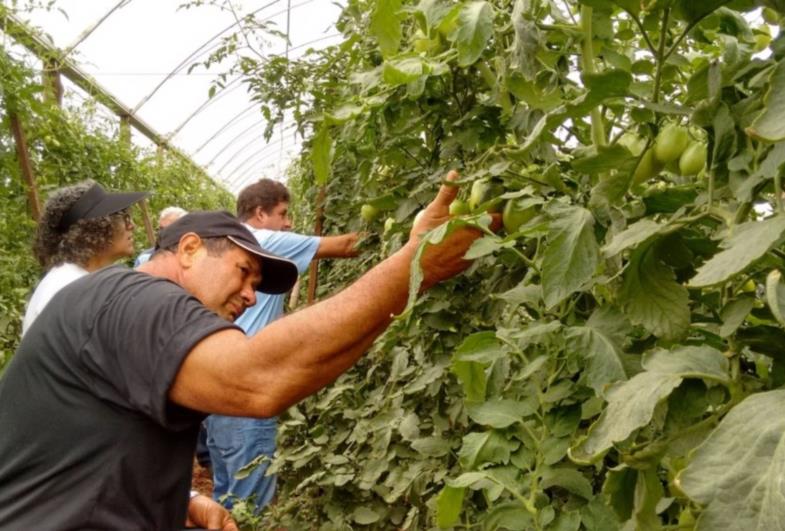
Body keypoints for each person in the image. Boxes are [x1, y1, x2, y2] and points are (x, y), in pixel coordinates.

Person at [0, 171, 490, 529]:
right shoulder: (129, 298)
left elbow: (86, 444)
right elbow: (259, 378)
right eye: (242, 272)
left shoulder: (107, 306)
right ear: (189, 249)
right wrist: (415, 265)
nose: (252, 296)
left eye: (259, 284)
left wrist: (182, 498)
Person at [205, 178, 360, 512]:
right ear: (260, 214)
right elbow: (348, 245)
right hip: (247, 380)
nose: (288, 222)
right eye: (283, 213)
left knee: (227, 483)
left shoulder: (224, 243)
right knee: (251, 495)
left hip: (215, 375)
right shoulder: (265, 240)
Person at [21, 180, 148, 335]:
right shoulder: (70, 289)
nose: (132, 225)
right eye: (123, 217)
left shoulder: (74, 279)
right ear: (94, 228)